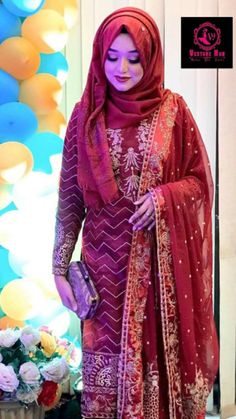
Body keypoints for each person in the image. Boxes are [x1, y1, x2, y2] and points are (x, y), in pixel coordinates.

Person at [52, 7, 219, 419]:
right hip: (103, 279)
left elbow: (200, 182)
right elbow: (71, 196)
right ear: (99, 57)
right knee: (104, 384)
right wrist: (58, 268)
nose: (122, 68)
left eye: (134, 58)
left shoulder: (174, 112)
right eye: (112, 57)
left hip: (160, 276)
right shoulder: (84, 115)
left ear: (150, 58)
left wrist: (164, 198)